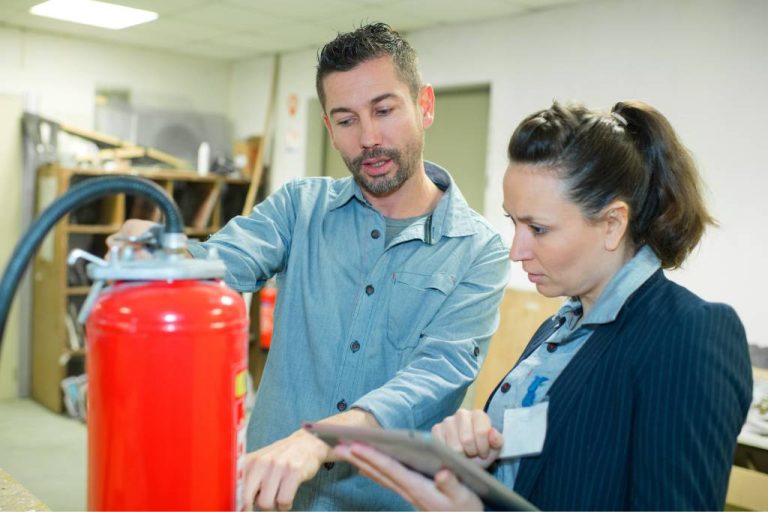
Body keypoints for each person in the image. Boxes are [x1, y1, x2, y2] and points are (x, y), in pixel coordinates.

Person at [109, 23, 510, 511]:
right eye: (346, 120)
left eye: (384, 110)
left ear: (424, 105)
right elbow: (220, 263)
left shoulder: (480, 250)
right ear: (328, 127)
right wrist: (160, 256)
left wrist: (321, 439)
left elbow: (435, 374)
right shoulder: (299, 208)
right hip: (270, 496)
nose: (368, 138)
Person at [335, 100, 753, 510]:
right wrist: (482, 462)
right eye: (514, 222)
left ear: (612, 224)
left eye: (538, 228)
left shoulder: (688, 334)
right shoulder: (562, 327)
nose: (517, 250)